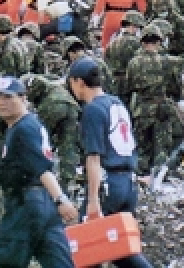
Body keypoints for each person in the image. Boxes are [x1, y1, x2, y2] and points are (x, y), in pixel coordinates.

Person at [67, 57, 153, 268]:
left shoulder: (93, 110)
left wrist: (93, 200)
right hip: (128, 183)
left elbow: (93, 157)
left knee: (86, 249)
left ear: (79, 82)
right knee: (120, 249)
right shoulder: (117, 103)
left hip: (108, 184)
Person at [0, 76, 77, 267]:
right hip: (43, 205)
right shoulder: (29, 124)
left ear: (23, 98)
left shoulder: (24, 128)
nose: (2, 102)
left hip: (26, 205)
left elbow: (42, 169)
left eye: (8, 97)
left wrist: (60, 199)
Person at [126, 25, 182, 173]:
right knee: (162, 148)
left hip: (142, 109)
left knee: (142, 147)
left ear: (142, 42)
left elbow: (128, 87)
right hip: (162, 108)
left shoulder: (133, 63)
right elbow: (174, 87)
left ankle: (141, 175)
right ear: (158, 42)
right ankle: (159, 175)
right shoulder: (167, 62)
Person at [23, 74, 81, 191]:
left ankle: (37, 174)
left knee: (39, 140)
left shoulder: (30, 83)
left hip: (52, 106)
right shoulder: (51, 84)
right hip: (71, 106)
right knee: (69, 146)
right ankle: (67, 180)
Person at [104, 10, 145, 103]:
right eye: (138, 27)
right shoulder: (137, 43)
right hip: (129, 84)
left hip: (114, 83)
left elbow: (106, 62)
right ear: (133, 25)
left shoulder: (113, 42)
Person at [23, 0, 87, 42]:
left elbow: (41, 19)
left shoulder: (40, 0)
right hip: (76, 20)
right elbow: (54, 22)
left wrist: (40, 29)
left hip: (66, 19)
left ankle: (34, 44)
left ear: (32, 3)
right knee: (73, 41)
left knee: (42, 31)